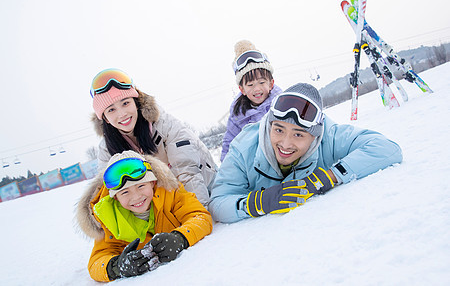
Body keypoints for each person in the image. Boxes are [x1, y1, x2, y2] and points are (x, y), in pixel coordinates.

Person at [209, 83, 403, 223]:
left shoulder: (329, 134)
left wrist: (330, 176)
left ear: (315, 136)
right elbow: (218, 203)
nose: (285, 144)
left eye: (298, 134)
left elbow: (386, 148)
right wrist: (260, 202)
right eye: (278, 130)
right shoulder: (244, 147)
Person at [76, 150, 213, 282]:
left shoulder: (170, 192)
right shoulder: (110, 218)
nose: (136, 197)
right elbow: (96, 263)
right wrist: (117, 266)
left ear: (152, 183)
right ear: (116, 197)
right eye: (125, 192)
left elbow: (200, 217)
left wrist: (180, 238)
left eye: (141, 186)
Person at [90, 68, 217, 205]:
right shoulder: (106, 149)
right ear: (106, 119)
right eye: (111, 110)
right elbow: (108, 192)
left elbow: (186, 171)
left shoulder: (165, 124)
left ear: (136, 103)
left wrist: (198, 212)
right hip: (163, 202)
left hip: (207, 188)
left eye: (125, 103)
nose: (122, 114)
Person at [220, 40, 283, 162]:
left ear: (271, 83)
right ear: (242, 89)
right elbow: (230, 143)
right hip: (257, 167)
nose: (257, 89)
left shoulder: (282, 102)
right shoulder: (238, 115)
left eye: (262, 82)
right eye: (250, 84)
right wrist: (226, 168)